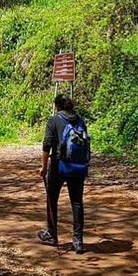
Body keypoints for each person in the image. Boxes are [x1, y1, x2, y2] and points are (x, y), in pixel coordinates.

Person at [38, 94, 89, 254]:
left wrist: (44, 167)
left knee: (52, 198)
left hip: (59, 165)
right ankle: (78, 241)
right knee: (77, 202)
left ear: (58, 106)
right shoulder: (80, 120)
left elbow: (47, 146)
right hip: (78, 166)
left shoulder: (54, 120)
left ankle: (52, 234)